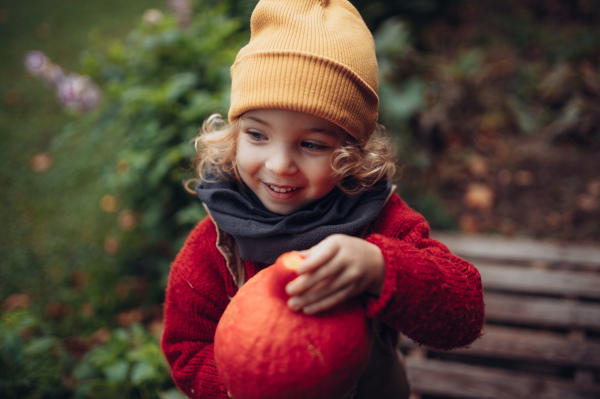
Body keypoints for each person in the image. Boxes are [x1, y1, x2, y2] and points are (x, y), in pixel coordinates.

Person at [160, 0, 485, 398]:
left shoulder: (379, 225)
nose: (280, 165)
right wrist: (246, 384)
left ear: (352, 153)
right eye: (257, 135)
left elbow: (465, 314)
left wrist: (381, 267)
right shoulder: (212, 249)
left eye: (312, 144)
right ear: (233, 133)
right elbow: (185, 351)